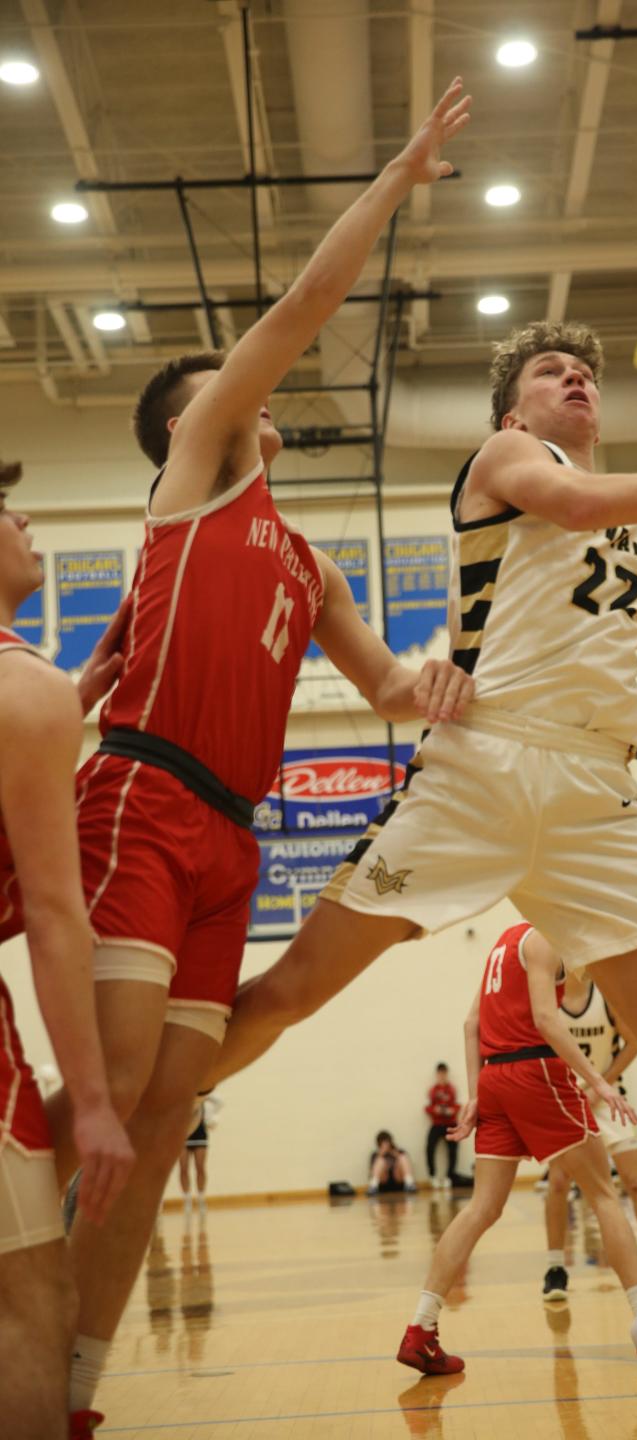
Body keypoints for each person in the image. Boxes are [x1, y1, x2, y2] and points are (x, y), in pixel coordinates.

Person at [211, 319, 637, 1440]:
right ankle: (137, 1106)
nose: (579, 377)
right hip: (486, 761)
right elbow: (571, 506)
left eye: (588, 370)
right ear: (513, 412)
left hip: (598, 794)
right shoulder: (514, 465)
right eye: (553, 371)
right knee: (292, 991)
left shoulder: (632, 544)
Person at [31, 82, 473, 1440]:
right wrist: (396, 181)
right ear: (195, 423)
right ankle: (20, 1318)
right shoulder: (204, 472)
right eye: (228, 389)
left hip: (232, 836)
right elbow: (297, 317)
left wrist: (451, 667)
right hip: (143, 796)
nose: (257, 390)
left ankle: (80, 1387)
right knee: (102, 1097)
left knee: (158, 1123)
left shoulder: (306, 555)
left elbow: (393, 687)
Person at [0, 461, 133, 1439]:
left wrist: (74, 697)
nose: (26, 518)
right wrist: (91, 1103)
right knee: (28, 1300)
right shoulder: (20, 689)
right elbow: (53, 911)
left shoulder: (39, 697)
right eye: (4, 510)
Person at [397, 923, 637, 1376]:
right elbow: (546, 1019)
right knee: (603, 1195)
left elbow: (471, 1022)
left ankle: (421, 1328)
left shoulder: (502, 943)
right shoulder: (545, 937)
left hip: (495, 1078)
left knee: (481, 1207)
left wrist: (476, 1092)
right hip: (534, 1072)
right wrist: (598, 1082)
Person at [543, 969, 637, 1301]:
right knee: (558, 1181)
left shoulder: (605, 995)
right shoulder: (548, 998)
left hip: (608, 1095)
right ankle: (555, 1268)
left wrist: (602, 1084)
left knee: (635, 1180)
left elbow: (634, 1042)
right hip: (566, 1100)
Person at [178, 1092, 223, 1217]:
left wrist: (204, 1094)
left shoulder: (203, 1095)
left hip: (200, 1134)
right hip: (182, 1134)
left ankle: (201, 1198)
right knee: (183, 1168)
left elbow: (219, 1102)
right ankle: (187, 1200)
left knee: (200, 1167)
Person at [425, 1063, 460, 1189]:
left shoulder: (451, 1089)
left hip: (450, 1124)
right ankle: (433, 1175)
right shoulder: (433, 1090)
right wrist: (435, 1110)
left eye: (444, 1073)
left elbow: (456, 1105)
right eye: (440, 1073)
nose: (442, 1076)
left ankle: (449, 1176)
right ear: (437, 1074)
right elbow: (428, 1107)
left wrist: (452, 1110)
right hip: (437, 1124)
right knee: (430, 1147)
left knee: (453, 1150)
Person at [368, 1131, 417, 1196]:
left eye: (387, 1142)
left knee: (403, 1157)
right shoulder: (375, 1155)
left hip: (398, 1180)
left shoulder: (399, 1152)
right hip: (383, 1182)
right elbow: (371, 1171)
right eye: (382, 1142)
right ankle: (373, 1187)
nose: (385, 1145)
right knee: (380, 1161)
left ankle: (409, 1184)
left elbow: (408, 1166)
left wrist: (396, 1154)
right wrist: (381, 1155)